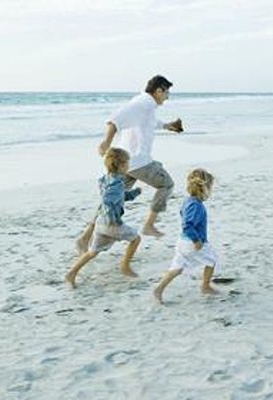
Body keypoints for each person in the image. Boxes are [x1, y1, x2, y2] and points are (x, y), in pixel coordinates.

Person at [76, 75, 183, 254]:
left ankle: (85, 238)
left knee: (112, 199)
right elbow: (116, 118)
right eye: (166, 93)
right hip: (140, 162)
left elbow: (148, 123)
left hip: (126, 163)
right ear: (159, 91)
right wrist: (105, 142)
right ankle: (149, 225)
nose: (167, 97)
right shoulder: (144, 103)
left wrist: (168, 126)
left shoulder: (144, 104)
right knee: (166, 184)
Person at [66, 148, 142, 289]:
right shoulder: (117, 184)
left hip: (100, 223)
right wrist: (112, 217)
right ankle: (125, 265)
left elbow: (119, 197)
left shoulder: (107, 180)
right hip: (110, 223)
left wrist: (134, 194)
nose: (129, 166)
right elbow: (108, 200)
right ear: (121, 165)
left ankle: (71, 273)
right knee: (136, 239)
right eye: (127, 164)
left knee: (92, 252)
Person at [154, 168, 220, 304]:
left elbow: (183, 217)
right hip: (193, 242)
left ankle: (159, 289)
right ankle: (205, 286)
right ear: (204, 188)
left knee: (177, 268)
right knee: (211, 260)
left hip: (183, 241)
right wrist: (196, 240)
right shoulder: (196, 206)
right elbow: (187, 225)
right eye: (210, 187)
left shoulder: (188, 201)